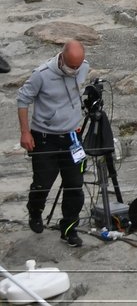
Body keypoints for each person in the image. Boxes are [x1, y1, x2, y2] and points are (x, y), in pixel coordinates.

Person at [18, 40, 90, 247]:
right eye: (71, 66)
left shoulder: (83, 67)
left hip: (72, 138)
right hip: (44, 138)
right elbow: (22, 100)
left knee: (75, 186)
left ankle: (69, 228)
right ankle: (35, 211)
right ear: (62, 57)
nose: (74, 70)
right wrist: (25, 132)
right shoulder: (41, 74)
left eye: (77, 66)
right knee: (42, 184)